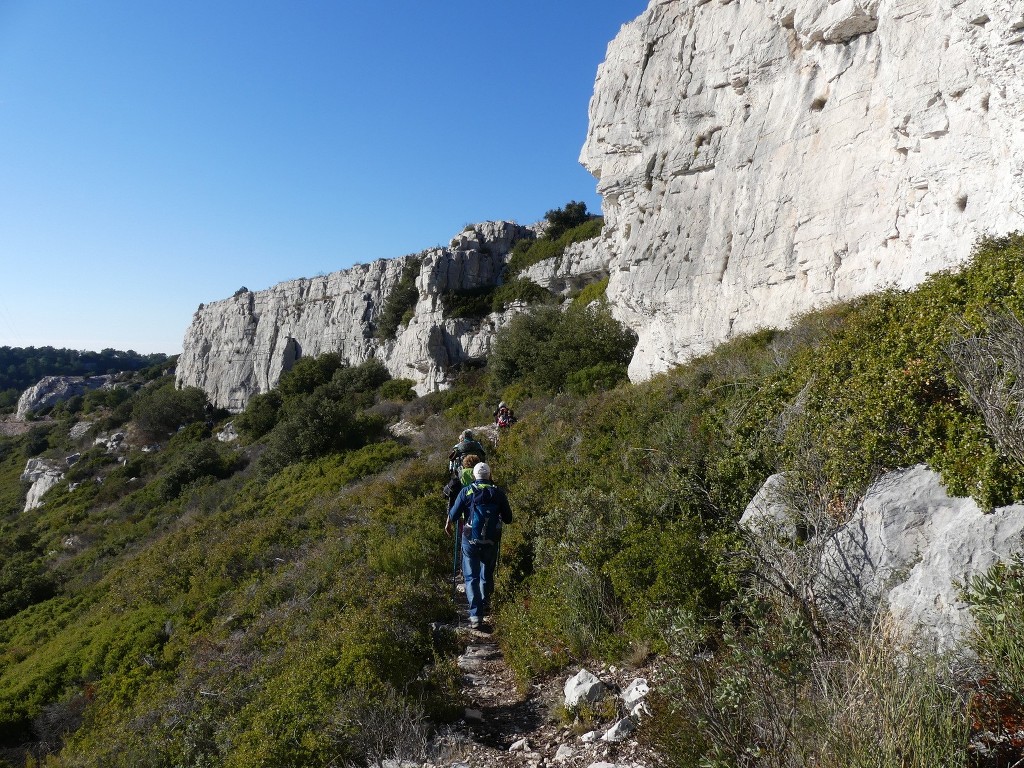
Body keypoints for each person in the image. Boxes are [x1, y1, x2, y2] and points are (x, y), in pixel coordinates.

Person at [445, 462, 512, 628]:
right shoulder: (498, 493)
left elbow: (453, 515)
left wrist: (449, 522)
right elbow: (508, 519)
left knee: (471, 577)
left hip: (470, 540)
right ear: (489, 475)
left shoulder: (466, 491)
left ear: (474, 476)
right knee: (485, 575)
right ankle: (485, 604)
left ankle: (476, 615)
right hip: (491, 541)